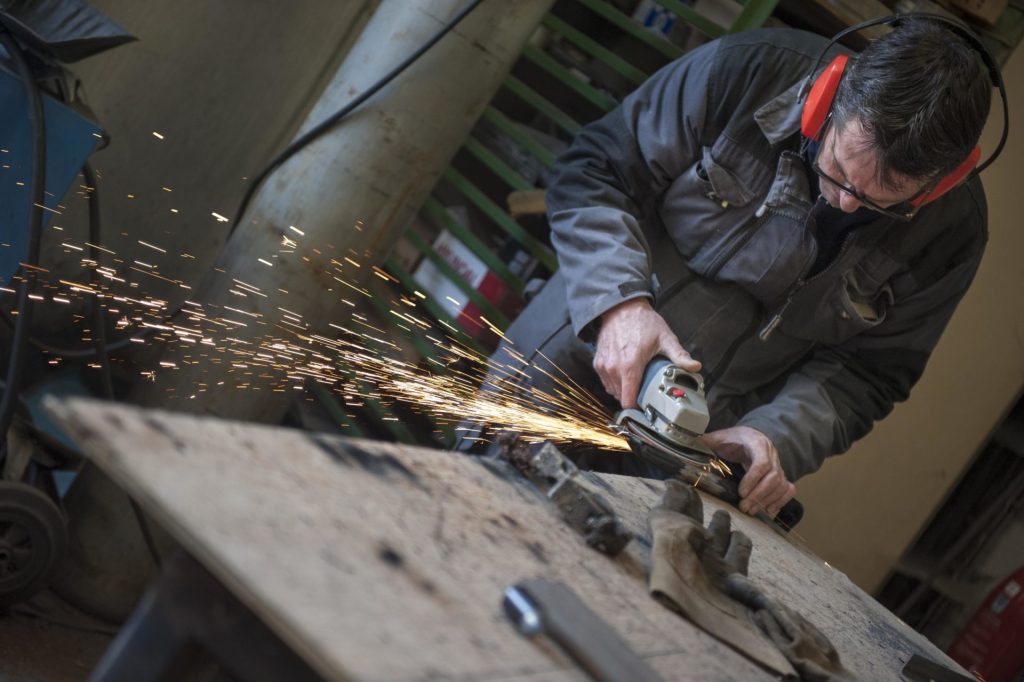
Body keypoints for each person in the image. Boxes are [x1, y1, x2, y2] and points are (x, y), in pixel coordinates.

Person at [467, 16, 998, 518]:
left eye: (885, 199)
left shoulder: (951, 234)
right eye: (838, 169)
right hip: (576, 347)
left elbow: (869, 375)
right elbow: (595, 170)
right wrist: (618, 304)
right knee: (472, 507)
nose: (844, 203)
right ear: (827, 100)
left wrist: (774, 437)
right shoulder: (746, 72)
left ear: (946, 182)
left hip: (699, 441)